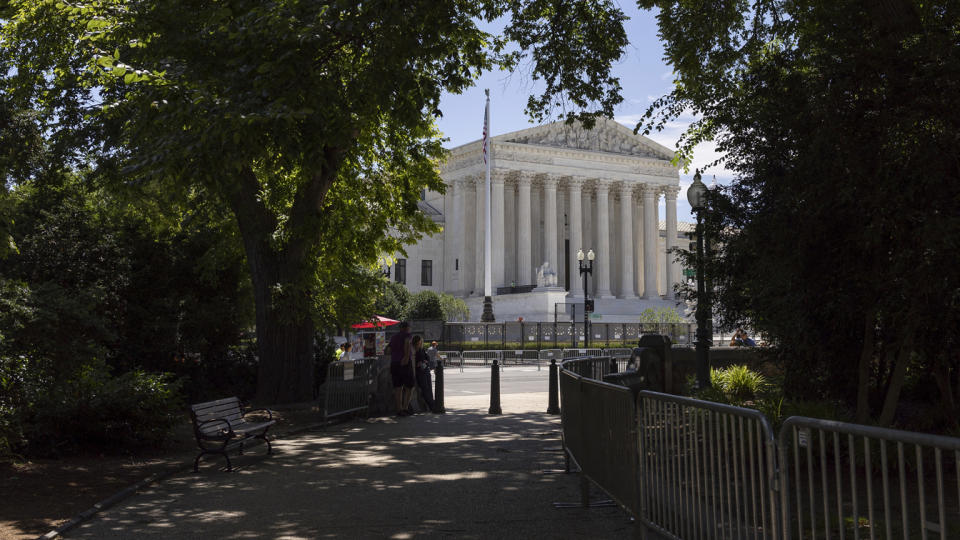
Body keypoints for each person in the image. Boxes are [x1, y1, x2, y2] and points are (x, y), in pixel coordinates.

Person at [389, 321, 416, 416]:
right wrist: (406, 356)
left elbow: (388, 350)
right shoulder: (408, 335)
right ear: (407, 328)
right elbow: (407, 343)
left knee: (398, 387)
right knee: (410, 386)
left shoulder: (393, 337)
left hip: (394, 363)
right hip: (404, 363)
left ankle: (399, 409)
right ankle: (405, 408)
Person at [412, 336, 438, 413]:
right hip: (420, 371)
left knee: (429, 388)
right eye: (419, 341)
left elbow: (427, 358)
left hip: (425, 369)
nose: (420, 343)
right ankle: (432, 405)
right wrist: (419, 362)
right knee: (425, 388)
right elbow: (415, 360)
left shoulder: (421, 349)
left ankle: (432, 404)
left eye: (421, 341)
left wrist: (425, 361)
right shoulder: (414, 350)